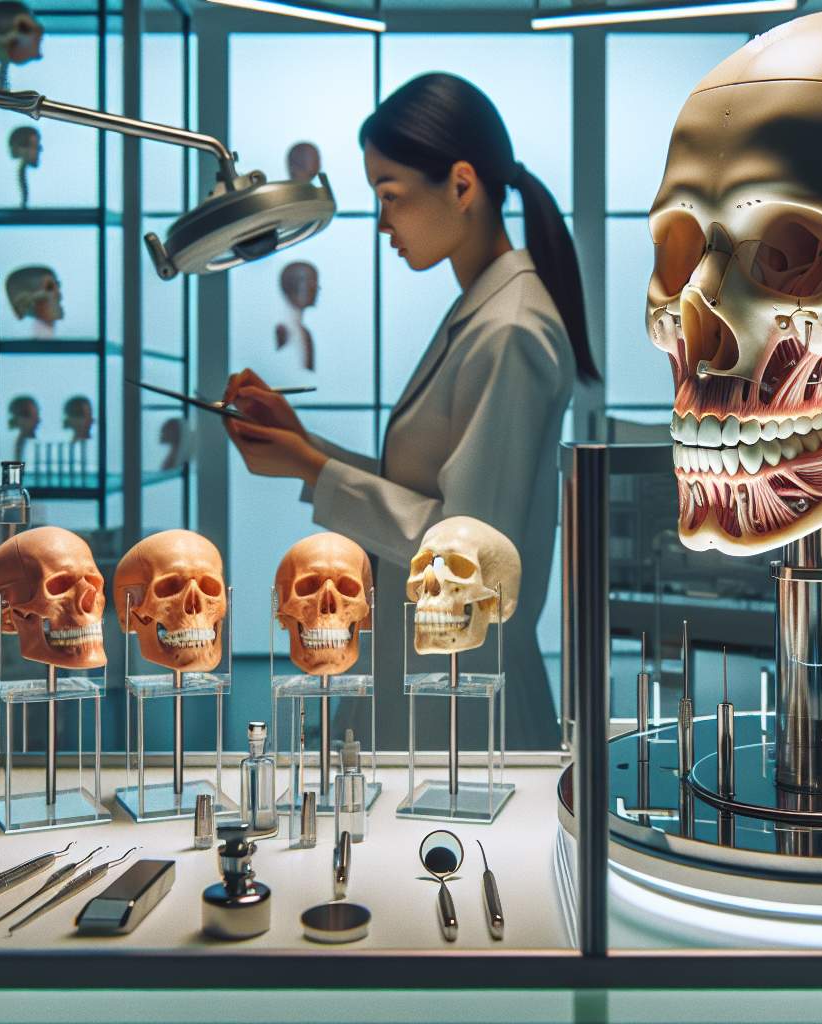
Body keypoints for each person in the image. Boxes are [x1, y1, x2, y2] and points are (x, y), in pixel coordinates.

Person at [225, 73, 598, 750]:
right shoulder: (482, 310)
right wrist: (304, 446)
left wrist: (313, 468)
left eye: (390, 196)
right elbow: (428, 495)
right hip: (431, 678)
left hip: (466, 698)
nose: (382, 222)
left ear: (461, 185)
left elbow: (469, 555)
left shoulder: (510, 329)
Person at [275, 261, 318, 371]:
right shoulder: (281, 330)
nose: (316, 288)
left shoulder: (304, 332)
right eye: (311, 282)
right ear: (292, 286)